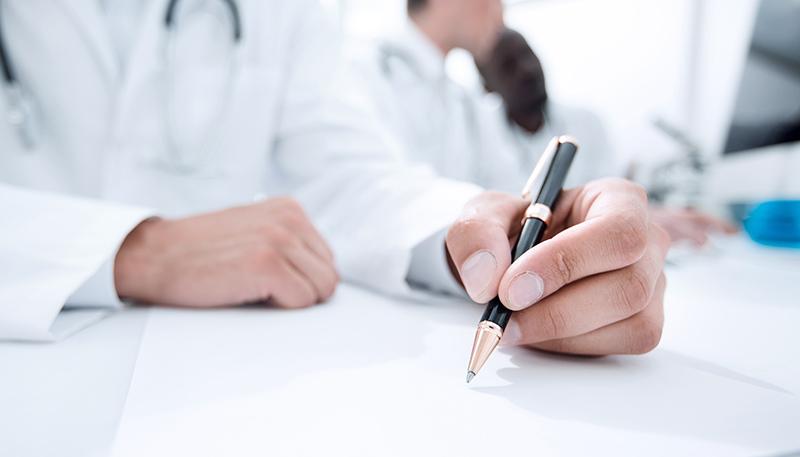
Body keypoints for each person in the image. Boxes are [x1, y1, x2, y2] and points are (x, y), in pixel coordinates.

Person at [0, 1, 668, 358]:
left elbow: (350, 176)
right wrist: (134, 248)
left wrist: (476, 231)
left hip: (201, 365)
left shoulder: (285, 12)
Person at [476, 27, 737, 246]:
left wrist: (643, 216)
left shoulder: (587, 122)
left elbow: (611, 198)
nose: (527, 69)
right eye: (508, 65)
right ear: (487, 85)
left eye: (528, 55)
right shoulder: (478, 138)